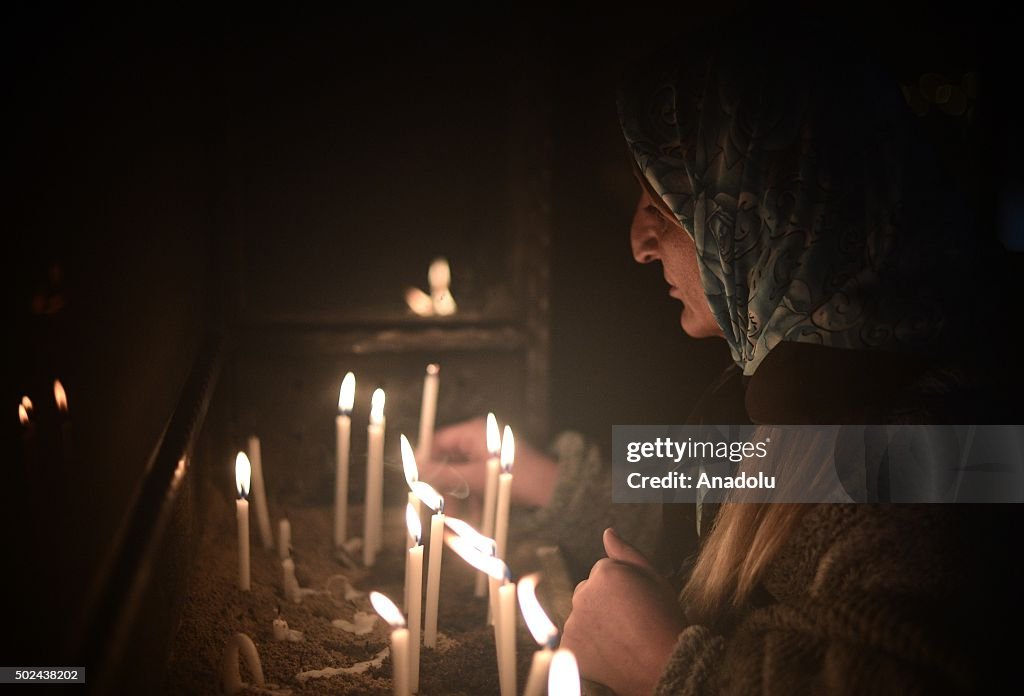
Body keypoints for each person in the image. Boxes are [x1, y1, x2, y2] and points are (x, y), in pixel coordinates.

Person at [424, 12, 1020, 695]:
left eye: (666, 202)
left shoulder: (947, 448)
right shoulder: (810, 385)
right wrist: (536, 476)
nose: (638, 243)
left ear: (771, 205)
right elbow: (716, 516)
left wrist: (668, 666)